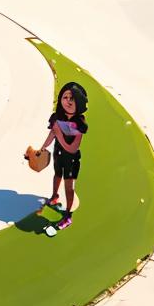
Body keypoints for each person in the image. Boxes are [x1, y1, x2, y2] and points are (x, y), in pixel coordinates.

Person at [33, 82, 88, 229]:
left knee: (69, 187)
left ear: (80, 102)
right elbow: (52, 134)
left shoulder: (80, 123)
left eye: (73, 98)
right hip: (58, 154)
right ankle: (54, 197)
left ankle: (68, 216)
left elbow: (72, 148)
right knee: (57, 175)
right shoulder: (57, 118)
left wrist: (59, 134)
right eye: (66, 97)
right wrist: (42, 148)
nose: (68, 101)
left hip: (71, 159)